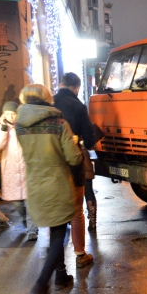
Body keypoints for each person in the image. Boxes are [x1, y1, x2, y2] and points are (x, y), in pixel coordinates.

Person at [15, 84, 83, 294]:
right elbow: (73, 159)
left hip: (35, 185)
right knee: (58, 236)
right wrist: (76, 145)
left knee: (53, 233)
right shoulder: (59, 124)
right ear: (46, 98)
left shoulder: (20, 126)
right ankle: (42, 283)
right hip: (57, 185)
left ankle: (60, 276)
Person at [54, 73, 101, 256]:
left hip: (53, 163)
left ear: (60, 84)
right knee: (77, 207)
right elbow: (89, 141)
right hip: (75, 160)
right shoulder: (78, 106)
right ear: (77, 88)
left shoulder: (49, 104)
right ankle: (80, 253)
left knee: (57, 209)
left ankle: (57, 261)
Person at [0, 102, 38, 241]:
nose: (11, 116)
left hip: (26, 168)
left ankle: (32, 230)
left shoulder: (25, 126)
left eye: (13, 113)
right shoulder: (1, 128)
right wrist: (4, 128)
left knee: (30, 203)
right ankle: (25, 220)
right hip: (11, 170)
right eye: (7, 114)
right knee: (18, 204)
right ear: (3, 115)